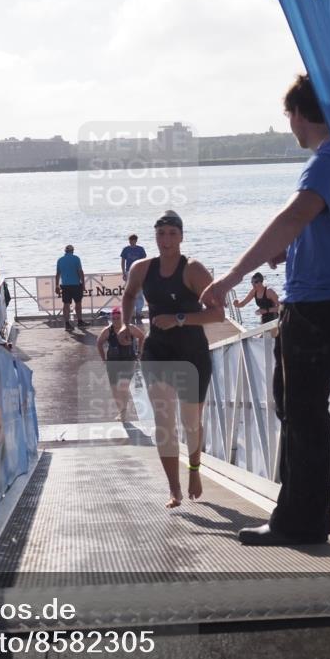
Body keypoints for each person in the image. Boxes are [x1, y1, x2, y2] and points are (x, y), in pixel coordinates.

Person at [201, 74, 330, 546]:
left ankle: (301, 519)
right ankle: (303, 512)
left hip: (317, 306)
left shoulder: (325, 163)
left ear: (299, 112)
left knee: (303, 412)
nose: (289, 125)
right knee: (295, 408)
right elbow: (312, 228)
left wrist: (230, 278)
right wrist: (288, 253)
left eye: (288, 116)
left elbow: (293, 217)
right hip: (326, 299)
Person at [121, 210, 225, 508]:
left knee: (190, 422)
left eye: (171, 234)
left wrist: (179, 318)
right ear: (154, 237)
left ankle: (193, 471)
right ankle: (173, 488)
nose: (165, 240)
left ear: (181, 236)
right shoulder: (141, 268)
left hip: (192, 353)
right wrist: (126, 324)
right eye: (160, 234)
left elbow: (218, 314)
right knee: (164, 423)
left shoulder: (193, 270)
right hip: (157, 352)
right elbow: (129, 296)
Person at [97, 306, 145, 421]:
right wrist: (103, 359)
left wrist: (139, 352)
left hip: (128, 361)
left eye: (118, 318)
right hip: (113, 362)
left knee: (123, 387)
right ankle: (121, 410)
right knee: (114, 389)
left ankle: (123, 413)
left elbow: (142, 336)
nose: (116, 321)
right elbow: (99, 343)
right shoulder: (108, 330)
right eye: (114, 318)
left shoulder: (130, 328)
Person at [55, 244, 87, 330]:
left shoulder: (60, 260)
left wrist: (56, 285)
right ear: (72, 251)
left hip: (65, 285)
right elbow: (80, 272)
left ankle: (67, 324)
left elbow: (58, 274)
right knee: (78, 303)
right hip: (76, 284)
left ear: (65, 251)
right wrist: (83, 284)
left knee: (66, 304)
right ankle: (80, 321)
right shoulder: (76, 258)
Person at [120, 233, 148, 322]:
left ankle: (138, 312)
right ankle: (130, 313)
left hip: (138, 272)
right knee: (129, 292)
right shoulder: (126, 249)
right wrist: (123, 272)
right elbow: (123, 260)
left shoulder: (140, 249)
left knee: (139, 293)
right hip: (129, 271)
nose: (131, 242)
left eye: (133, 240)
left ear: (136, 240)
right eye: (130, 240)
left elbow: (144, 261)